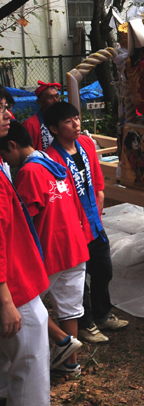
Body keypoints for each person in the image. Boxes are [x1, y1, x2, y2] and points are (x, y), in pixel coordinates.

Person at [0, 121, 90, 376]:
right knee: (70, 308)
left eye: (4, 156)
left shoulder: (28, 172)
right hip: (74, 245)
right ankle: (70, 363)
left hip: (51, 249)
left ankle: (61, 341)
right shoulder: (53, 162)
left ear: (12, 145)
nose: (6, 162)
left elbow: (24, 217)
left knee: (25, 303)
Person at [44, 101, 128, 344]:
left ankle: (103, 314)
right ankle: (85, 323)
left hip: (94, 223)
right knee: (78, 279)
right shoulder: (51, 159)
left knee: (103, 271)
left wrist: (99, 200)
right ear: (54, 129)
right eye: (68, 121)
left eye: (77, 118)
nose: (76, 124)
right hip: (73, 228)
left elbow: (97, 179)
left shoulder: (86, 144)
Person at [0, 89, 51, 405]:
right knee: (30, 366)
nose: (8, 114)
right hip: (13, 287)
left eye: (6, 106)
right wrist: (5, 299)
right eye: (0, 108)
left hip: (14, 280)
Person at [23, 81, 61, 151]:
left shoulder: (64, 119)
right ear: (40, 102)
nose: (55, 100)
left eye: (57, 96)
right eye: (50, 97)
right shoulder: (30, 124)